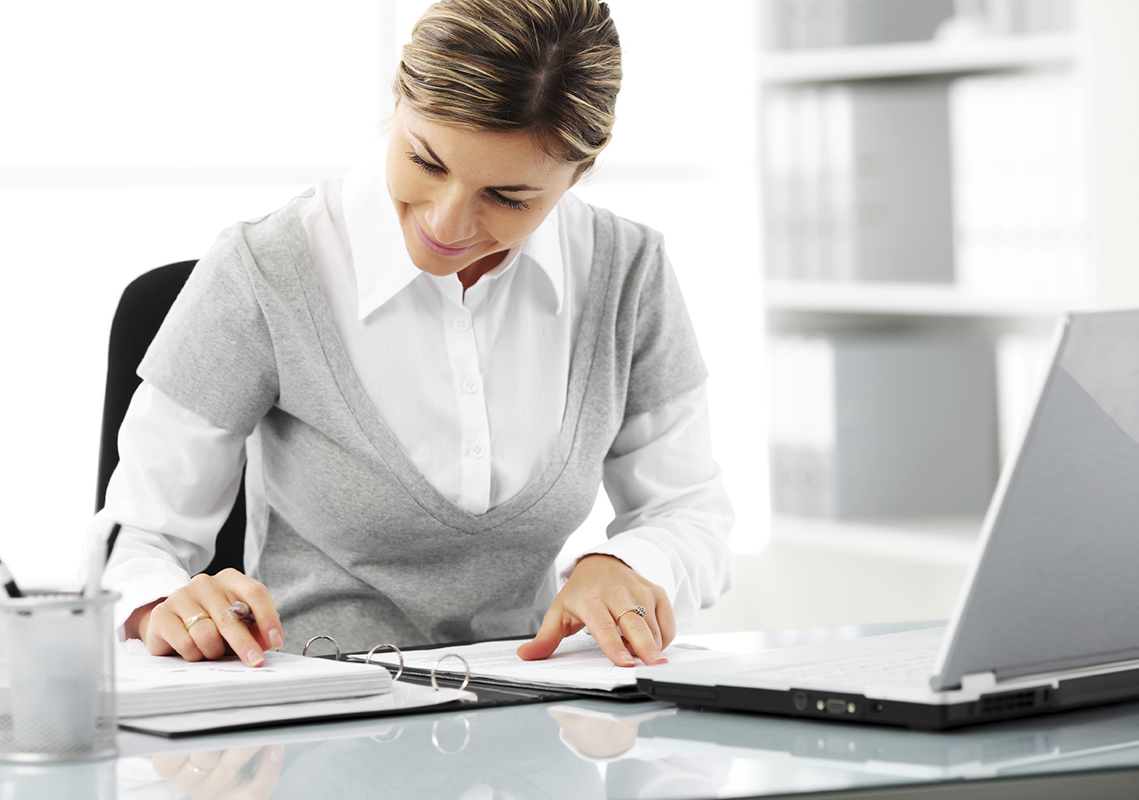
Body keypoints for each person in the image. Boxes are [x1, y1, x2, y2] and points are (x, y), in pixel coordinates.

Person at [92, 0, 734, 671]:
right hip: (316, 722)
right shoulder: (264, 270)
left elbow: (691, 510)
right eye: (425, 161)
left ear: (579, 171)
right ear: (397, 104)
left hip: (532, 724)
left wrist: (622, 565)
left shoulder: (627, 272)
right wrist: (162, 602)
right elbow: (137, 543)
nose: (447, 223)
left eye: (509, 197)